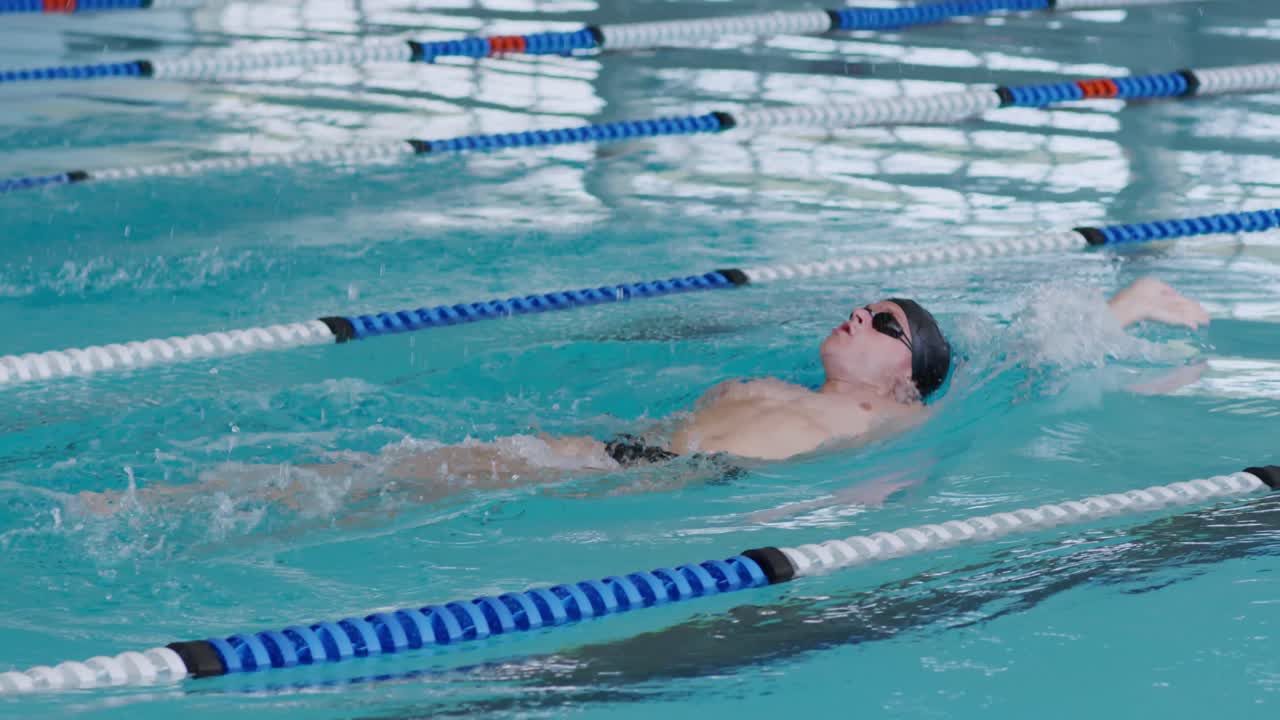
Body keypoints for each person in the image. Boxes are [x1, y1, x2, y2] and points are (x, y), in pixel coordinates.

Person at [77, 276, 1210, 515]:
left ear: (905, 372)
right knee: (382, 477)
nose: (859, 317)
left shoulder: (902, 418)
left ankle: (185, 502)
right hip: (621, 456)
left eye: (884, 325)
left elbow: (1031, 362)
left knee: (391, 482)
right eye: (863, 306)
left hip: (679, 482)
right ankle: (182, 499)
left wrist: (1129, 311)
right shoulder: (764, 380)